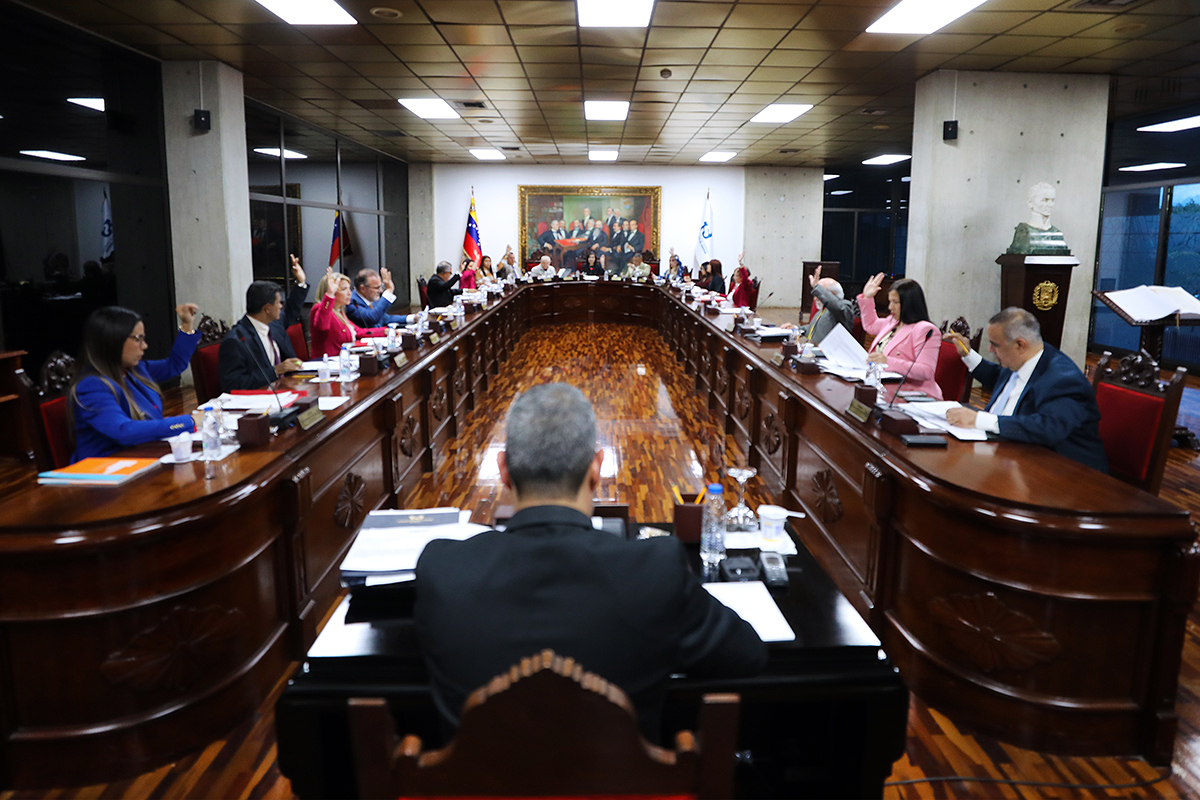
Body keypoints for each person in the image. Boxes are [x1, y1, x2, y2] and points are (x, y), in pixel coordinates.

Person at [414, 383, 767, 738]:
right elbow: (748, 655)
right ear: (596, 468)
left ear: (503, 470)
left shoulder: (442, 570)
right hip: (623, 773)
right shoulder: (655, 570)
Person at [943, 308, 1108, 472]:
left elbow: (1049, 427)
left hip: (1063, 471)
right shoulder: (1021, 359)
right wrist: (967, 355)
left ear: (1020, 345)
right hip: (1007, 454)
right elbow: (998, 377)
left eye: (995, 344)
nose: (990, 349)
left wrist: (979, 420)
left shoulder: (1063, 379)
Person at [70, 302, 202, 462]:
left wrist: (187, 325)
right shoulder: (91, 386)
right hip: (108, 467)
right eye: (138, 339)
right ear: (113, 341)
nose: (144, 346)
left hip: (145, 454)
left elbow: (173, 365)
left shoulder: (135, 370)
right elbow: (123, 430)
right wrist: (189, 421)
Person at [218, 256, 310, 392]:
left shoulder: (274, 324)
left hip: (286, 390)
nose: (281, 306)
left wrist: (301, 282)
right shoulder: (236, 340)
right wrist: (276, 370)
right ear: (267, 308)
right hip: (259, 398)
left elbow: (291, 309)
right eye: (278, 303)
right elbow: (233, 384)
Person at [858, 273, 943, 400]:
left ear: (910, 303)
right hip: (883, 388)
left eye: (895, 302)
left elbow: (926, 371)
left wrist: (887, 361)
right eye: (890, 301)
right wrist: (867, 297)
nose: (890, 307)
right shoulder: (893, 321)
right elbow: (870, 325)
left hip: (912, 394)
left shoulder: (925, 329)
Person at [310, 266, 389, 358]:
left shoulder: (340, 312)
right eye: (344, 289)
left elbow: (358, 332)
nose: (349, 293)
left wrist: (385, 331)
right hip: (327, 362)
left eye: (349, 289)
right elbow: (322, 325)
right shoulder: (320, 309)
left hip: (344, 359)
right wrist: (330, 295)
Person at [802, 265, 855, 344]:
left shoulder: (844, 307)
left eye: (819, 294)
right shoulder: (822, 310)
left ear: (832, 294)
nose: (815, 299)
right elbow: (812, 329)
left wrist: (817, 287)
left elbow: (836, 306)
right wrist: (794, 328)